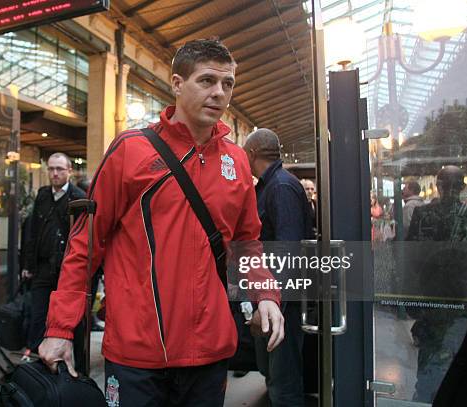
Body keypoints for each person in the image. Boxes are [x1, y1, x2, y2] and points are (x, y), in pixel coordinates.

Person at [39, 38, 284, 406]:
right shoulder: (130, 150)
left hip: (210, 350)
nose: (219, 93)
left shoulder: (236, 161)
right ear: (177, 83)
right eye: (207, 80)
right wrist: (60, 328)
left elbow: (246, 243)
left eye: (227, 83)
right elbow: (85, 245)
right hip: (137, 354)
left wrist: (265, 292)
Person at [243, 128, 314, 407]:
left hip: (282, 303)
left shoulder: (281, 187)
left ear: (252, 154)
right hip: (274, 299)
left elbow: (287, 254)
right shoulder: (272, 185)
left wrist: (270, 307)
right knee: (273, 374)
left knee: (283, 383)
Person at [405, 166, 467, 402]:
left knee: (429, 359)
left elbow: (411, 258)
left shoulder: (423, 214)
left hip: (433, 295)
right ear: (462, 187)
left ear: (438, 185)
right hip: (461, 297)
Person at [22, 152, 86, 367]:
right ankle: (37, 370)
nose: (55, 173)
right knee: (38, 317)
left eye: (59, 169)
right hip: (42, 268)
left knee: (74, 322)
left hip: (68, 271)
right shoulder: (42, 195)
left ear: (69, 171)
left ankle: (78, 371)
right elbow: (32, 231)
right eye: (51, 168)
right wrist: (28, 265)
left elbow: (85, 237)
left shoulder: (79, 197)